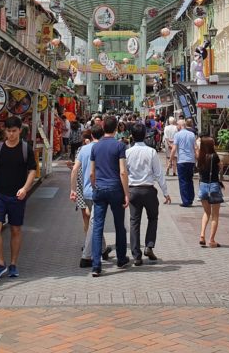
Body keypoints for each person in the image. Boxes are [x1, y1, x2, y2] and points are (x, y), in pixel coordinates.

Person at [0, 115, 38, 280]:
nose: (11, 134)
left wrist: (25, 188)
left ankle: (13, 264)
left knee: (16, 229)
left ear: (20, 131)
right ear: (5, 131)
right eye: (8, 131)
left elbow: (32, 171)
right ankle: (0, 263)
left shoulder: (25, 149)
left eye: (14, 131)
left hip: (17, 197)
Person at [89, 115, 131, 276]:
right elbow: (122, 171)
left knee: (97, 227)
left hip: (99, 188)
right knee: (119, 225)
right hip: (115, 189)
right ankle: (121, 258)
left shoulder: (95, 147)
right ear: (115, 129)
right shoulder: (120, 146)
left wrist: (95, 187)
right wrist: (126, 193)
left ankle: (96, 265)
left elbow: (92, 173)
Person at [125, 123, 170, 265]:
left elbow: (123, 173)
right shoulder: (151, 152)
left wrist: (124, 192)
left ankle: (136, 256)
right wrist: (166, 192)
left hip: (133, 190)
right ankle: (149, 246)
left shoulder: (127, 152)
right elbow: (158, 173)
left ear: (131, 136)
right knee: (153, 218)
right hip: (149, 190)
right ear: (145, 135)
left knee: (134, 222)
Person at [71, 125, 110, 268]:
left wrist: (72, 189)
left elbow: (74, 170)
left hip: (86, 191)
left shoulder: (83, 149)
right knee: (95, 221)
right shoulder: (104, 149)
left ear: (91, 136)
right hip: (100, 190)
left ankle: (104, 249)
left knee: (94, 220)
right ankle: (86, 257)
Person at [196, 135, 224, 247]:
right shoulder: (215, 156)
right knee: (215, 215)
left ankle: (202, 235)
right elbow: (220, 167)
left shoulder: (200, 156)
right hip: (213, 186)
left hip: (203, 186)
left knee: (206, 213)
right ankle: (211, 240)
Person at [169, 118, 197, 206]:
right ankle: (190, 199)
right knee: (189, 180)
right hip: (191, 160)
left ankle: (185, 201)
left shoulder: (177, 135)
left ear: (181, 126)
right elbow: (195, 148)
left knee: (182, 181)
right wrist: (197, 158)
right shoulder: (192, 134)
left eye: (177, 125)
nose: (176, 126)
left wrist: (170, 160)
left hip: (182, 161)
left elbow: (174, 149)